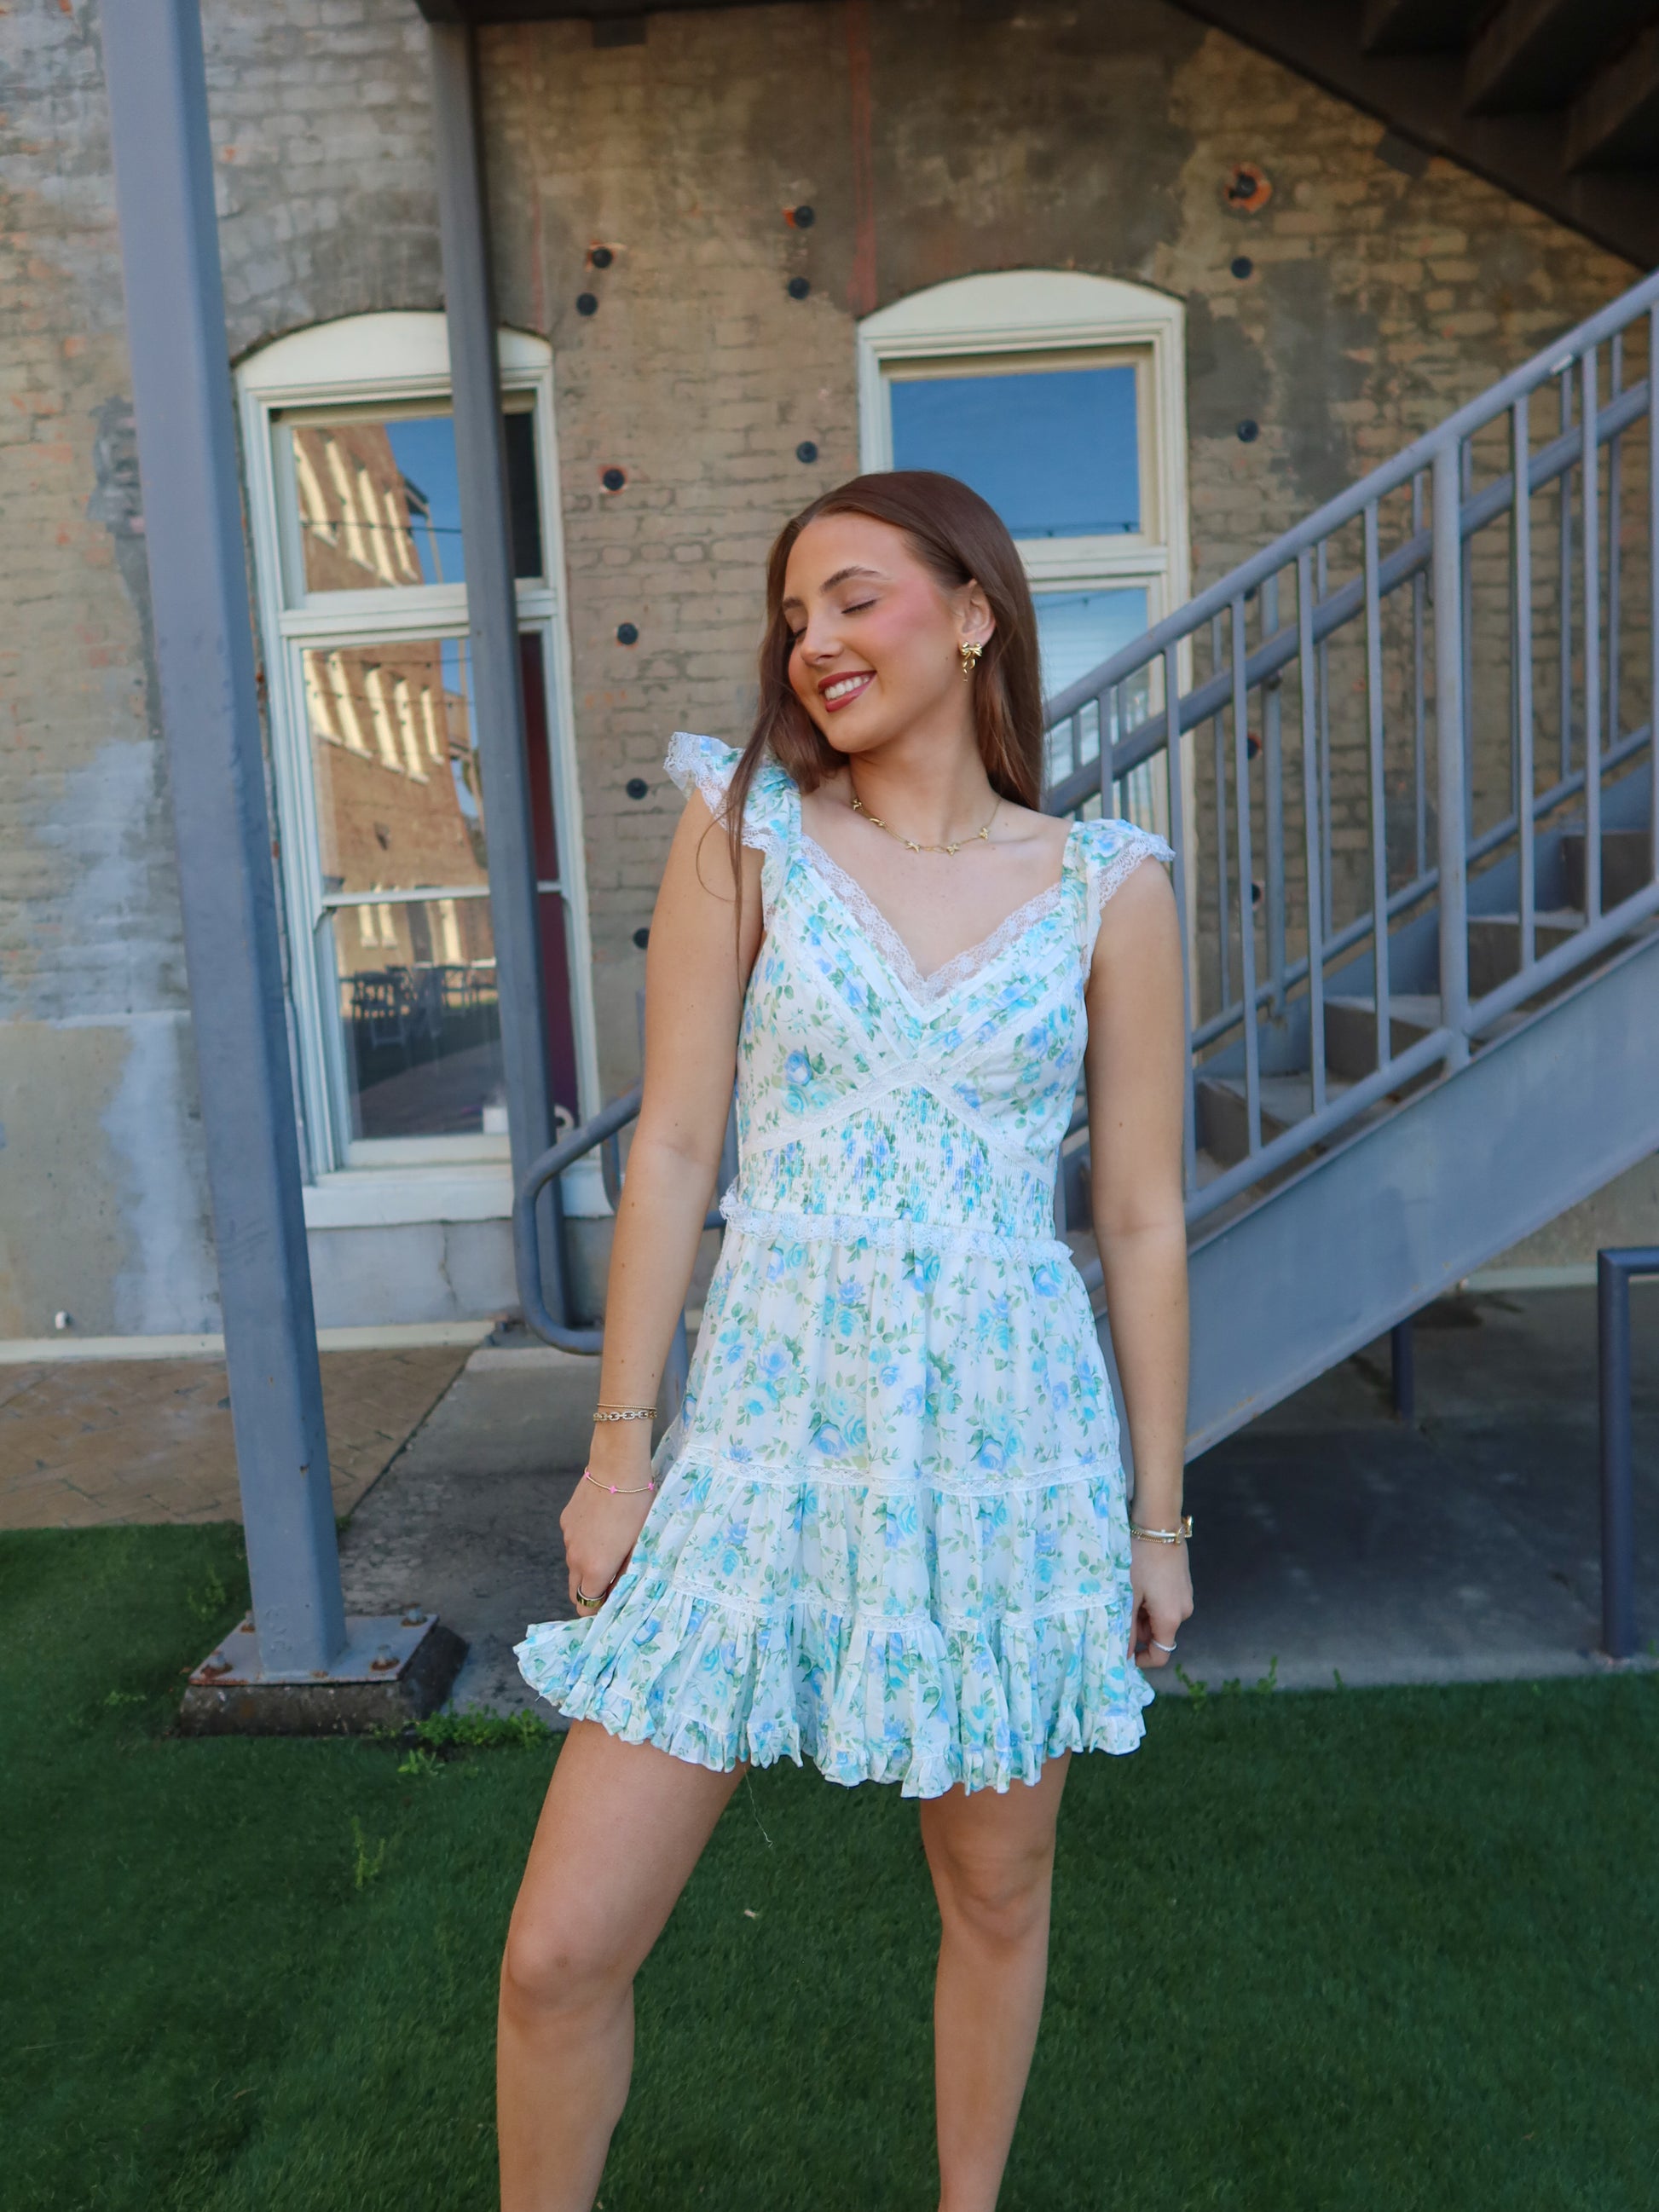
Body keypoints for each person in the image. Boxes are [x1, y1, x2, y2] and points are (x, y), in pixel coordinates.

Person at [500, 470, 1192, 2212]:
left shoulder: (1107, 887)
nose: (812, 640)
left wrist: (1156, 1518)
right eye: (793, 613)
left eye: (854, 598)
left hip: (1003, 1461)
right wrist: (618, 1449)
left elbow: (1138, 1219)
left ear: (972, 614)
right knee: (557, 1952)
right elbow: (674, 1146)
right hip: (757, 1448)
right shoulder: (745, 829)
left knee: (996, 1893)